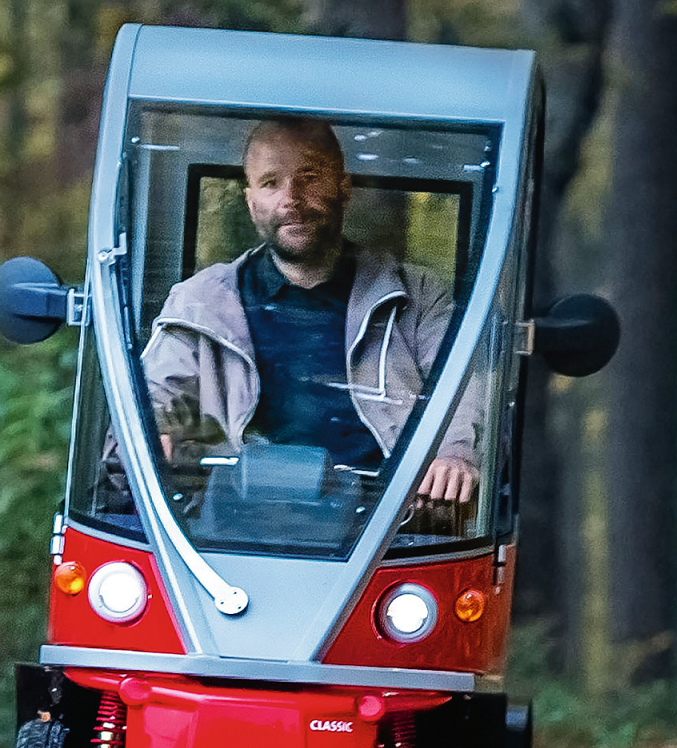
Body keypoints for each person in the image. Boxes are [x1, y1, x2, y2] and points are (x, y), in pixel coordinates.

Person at [140, 117, 478, 503]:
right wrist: (155, 433)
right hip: (230, 528)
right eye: (271, 183)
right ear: (252, 203)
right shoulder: (198, 303)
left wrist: (455, 455)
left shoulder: (417, 296)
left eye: (309, 176)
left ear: (343, 187)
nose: (291, 199)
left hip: (387, 525)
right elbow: (150, 401)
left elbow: (462, 393)